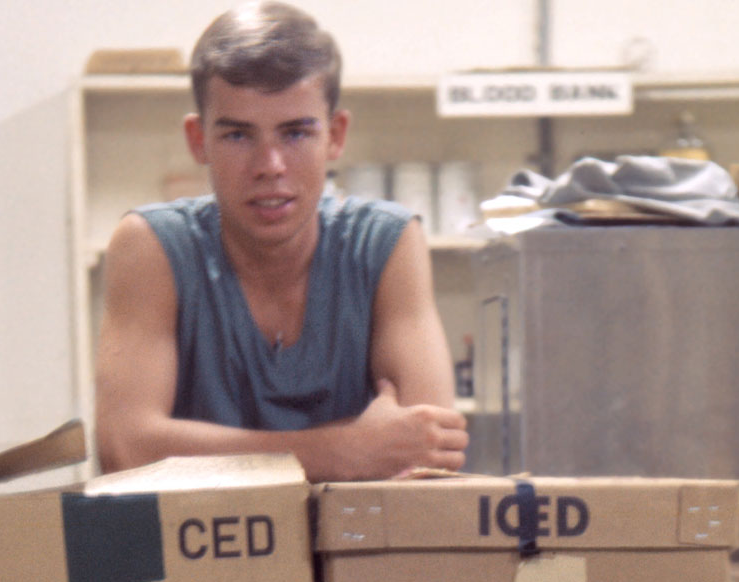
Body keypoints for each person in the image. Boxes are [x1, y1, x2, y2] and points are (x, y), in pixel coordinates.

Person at [94, 0, 468, 481]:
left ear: (335, 136)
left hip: (351, 555)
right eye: (237, 136)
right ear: (198, 140)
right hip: (200, 555)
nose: (269, 165)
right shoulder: (153, 247)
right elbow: (125, 450)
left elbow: (427, 457)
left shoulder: (386, 244)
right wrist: (342, 452)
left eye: (295, 133)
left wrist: (193, 453)